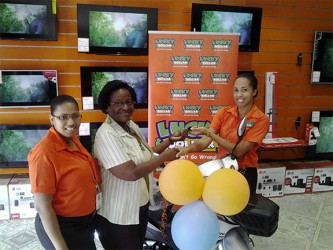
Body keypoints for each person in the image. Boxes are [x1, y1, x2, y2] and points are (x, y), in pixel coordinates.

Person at [93, 80, 187, 249]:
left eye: (129, 102)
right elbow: (130, 173)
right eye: (118, 103)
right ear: (107, 107)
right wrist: (165, 156)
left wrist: (168, 141)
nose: (126, 107)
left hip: (139, 206)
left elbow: (144, 155)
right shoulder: (106, 134)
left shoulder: (130, 126)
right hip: (118, 215)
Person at [28, 95, 101, 250]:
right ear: (52, 119)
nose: (71, 122)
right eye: (63, 117)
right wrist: (60, 247)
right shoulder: (44, 153)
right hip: (62, 227)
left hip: (84, 224)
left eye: (75, 116)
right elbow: (42, 206)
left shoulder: (72, 140)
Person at [177, 73, 269, 193]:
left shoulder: (261, 119)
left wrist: (210, 134)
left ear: (254, 92)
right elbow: (205, 141)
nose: (239, 95)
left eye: (244, 90)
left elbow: (238, 151)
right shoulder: (224, 113)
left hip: (244, 173)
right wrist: (187, 149)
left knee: (242, 211)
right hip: (222, 169)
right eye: (236, 90)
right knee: (219, 208)